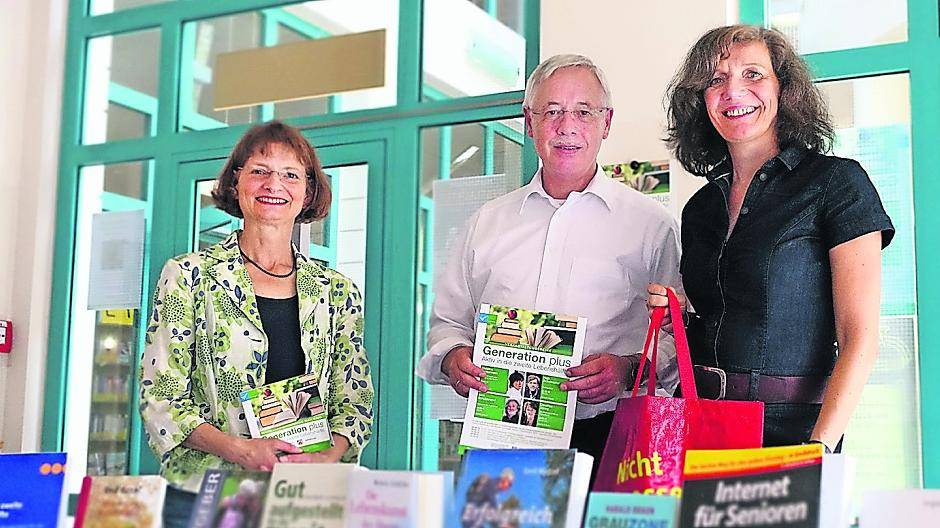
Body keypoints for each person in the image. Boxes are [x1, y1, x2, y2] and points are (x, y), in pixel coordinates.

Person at [416, 54, 682, 477]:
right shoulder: (486, 223)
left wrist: (630, 369)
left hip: (612, 436)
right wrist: (452, 358)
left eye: (583, 112)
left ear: (606, 122)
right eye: (552, 111)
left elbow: (676, 336)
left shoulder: (652, 227)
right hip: (500, 434)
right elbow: (447, 323)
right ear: (529, 121)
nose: (567, 126)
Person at [648, 25, 894, 452]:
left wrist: (817, 451)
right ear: (700, 100)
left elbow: (861, 339)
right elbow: (727, 316)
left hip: (791, 434)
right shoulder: (699, 208)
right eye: (715, 80)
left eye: (753, 75)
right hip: (699, 426)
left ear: (785, 90)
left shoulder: (837, 183)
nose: (733, 91)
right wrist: (681, 315)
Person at [139, 121, 374, 528]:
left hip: (302, 496)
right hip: (204, 494)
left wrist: (326, 456)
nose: (274, 184)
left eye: (290, 174)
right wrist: (241, 450)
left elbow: (353, 402)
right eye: (260, 170)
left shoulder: (337, 291)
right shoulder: (188, 276)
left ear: (308, 192)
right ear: (236, 183)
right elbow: (161, 398)